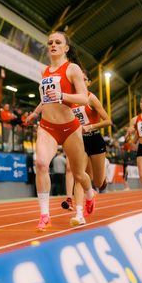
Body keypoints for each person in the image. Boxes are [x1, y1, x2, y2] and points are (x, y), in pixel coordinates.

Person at [25, 31, 95, 231]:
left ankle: (90, 195)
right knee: (40, 164)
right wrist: (35, 113)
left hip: (70, 128)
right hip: (47, 126)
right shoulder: (44, 71)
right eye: (50, 42)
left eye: (58, 42)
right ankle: (44, 214)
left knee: (79, 174)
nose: (53, 45)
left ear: (66, 48)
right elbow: (46, 98)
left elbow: (84, 98)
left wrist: (63, 95)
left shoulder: (72, 69)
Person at [62, 73, 112, 225]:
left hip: (95, 140)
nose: (80, 81)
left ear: (89, 83)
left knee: (97, 181)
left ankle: (103, 172)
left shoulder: (91, 98)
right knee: (79, 176)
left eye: (84, 79)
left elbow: (108, 121)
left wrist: (91, 126)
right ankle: (79, 214)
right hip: (80, 142)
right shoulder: (70, 99)